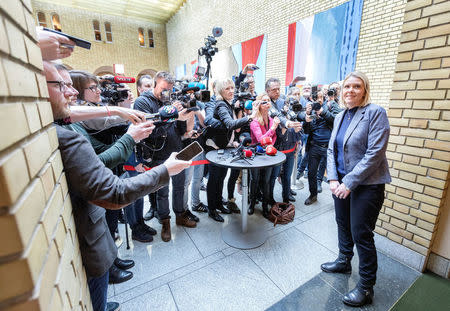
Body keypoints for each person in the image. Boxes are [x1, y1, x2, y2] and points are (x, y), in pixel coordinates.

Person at [44, 61, 190, 311]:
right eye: (62, 85)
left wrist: (123, 123)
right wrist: (163, 168)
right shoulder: (64, 133)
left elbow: (98, 142)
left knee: (104, 265)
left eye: (70, 84)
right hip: (89, 218)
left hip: (95, 214)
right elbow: (113, 189)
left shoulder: (69, 121)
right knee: (97, 286)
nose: (73, 93)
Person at [320, 71, 391, 307]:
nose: (350, 90)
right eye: (347, 86)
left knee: (361, 233)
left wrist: (349, 182)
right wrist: (332, 178)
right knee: (342, 224)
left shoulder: (375, 113)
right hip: (339, 183)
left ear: (365, 90)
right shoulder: (341, 115)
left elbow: (375, 154)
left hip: (367, 185)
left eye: (356, 86)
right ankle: (343, 261)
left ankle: (366, 287)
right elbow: (331, 149)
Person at [134, 71, 197, 242]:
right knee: (162, 192)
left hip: (176, 150)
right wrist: (173, 115)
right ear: (155, 84)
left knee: (180, 187)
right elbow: (149, 131)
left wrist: (186, 116)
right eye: (163, 89)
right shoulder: (143, 102)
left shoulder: (172, 100)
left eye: (169, 89)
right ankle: (165, 222)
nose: (166, 93)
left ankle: (181, 215)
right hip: (157, 154)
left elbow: (181, 129)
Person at [206, 78, 259, 222]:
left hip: (224, 147)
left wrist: (233, 141)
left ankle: (218, 204)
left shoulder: (228, 104)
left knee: (221, 178)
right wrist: (250, 117)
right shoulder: (221, 105)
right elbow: (230, 124)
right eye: (227, 88)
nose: (231, 91)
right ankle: (212, 210)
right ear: (220, 91)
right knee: (214, 180)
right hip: (215, 148)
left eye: (232, 88)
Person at [302, 87, 341, 205]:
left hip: (329, 148)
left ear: (324, 97)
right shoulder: (311, 110)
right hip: (314, 147)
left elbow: (336, 119)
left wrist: (322, 111)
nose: (318, 100)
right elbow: (306, 130)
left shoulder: (330, 105)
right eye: (316, 97)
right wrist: (307, 116)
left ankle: (339, 199)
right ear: (312, 98)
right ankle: (313, 195)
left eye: (320, 97)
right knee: (311, 173)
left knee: (335, 175)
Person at [249, 94, 279, 217]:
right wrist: (272, 128)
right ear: (258, 105)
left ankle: (265, 207)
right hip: (256, 154)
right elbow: (261, 139)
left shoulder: (272, 119)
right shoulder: (254, 121)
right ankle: (251, 204)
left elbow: (274, 137)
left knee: (266, 181)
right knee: (254, 180)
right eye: (264, 101)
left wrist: (270, 146)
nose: (267, 103)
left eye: (268, 101)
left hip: (268, 154)